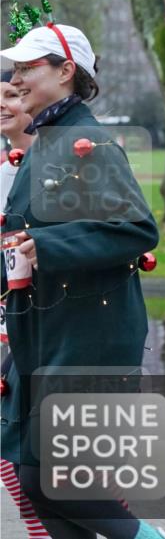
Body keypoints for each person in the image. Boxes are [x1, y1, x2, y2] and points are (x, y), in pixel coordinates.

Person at [0, 21, 165, 539]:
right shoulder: (44, 142)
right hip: (44, 332)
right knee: (39, 478)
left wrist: (49, 248)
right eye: (14, 67)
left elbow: (136, 228)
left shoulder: (87, 142)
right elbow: (23, 240)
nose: (16, 78)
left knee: (57, 480)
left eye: (28, 67)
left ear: (66, 72)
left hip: (88, 335)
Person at [0, 75, 52, 539]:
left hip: (46, 319)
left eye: (12, 95)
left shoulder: (60, 158)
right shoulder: (4, 165)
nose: (3, 106)